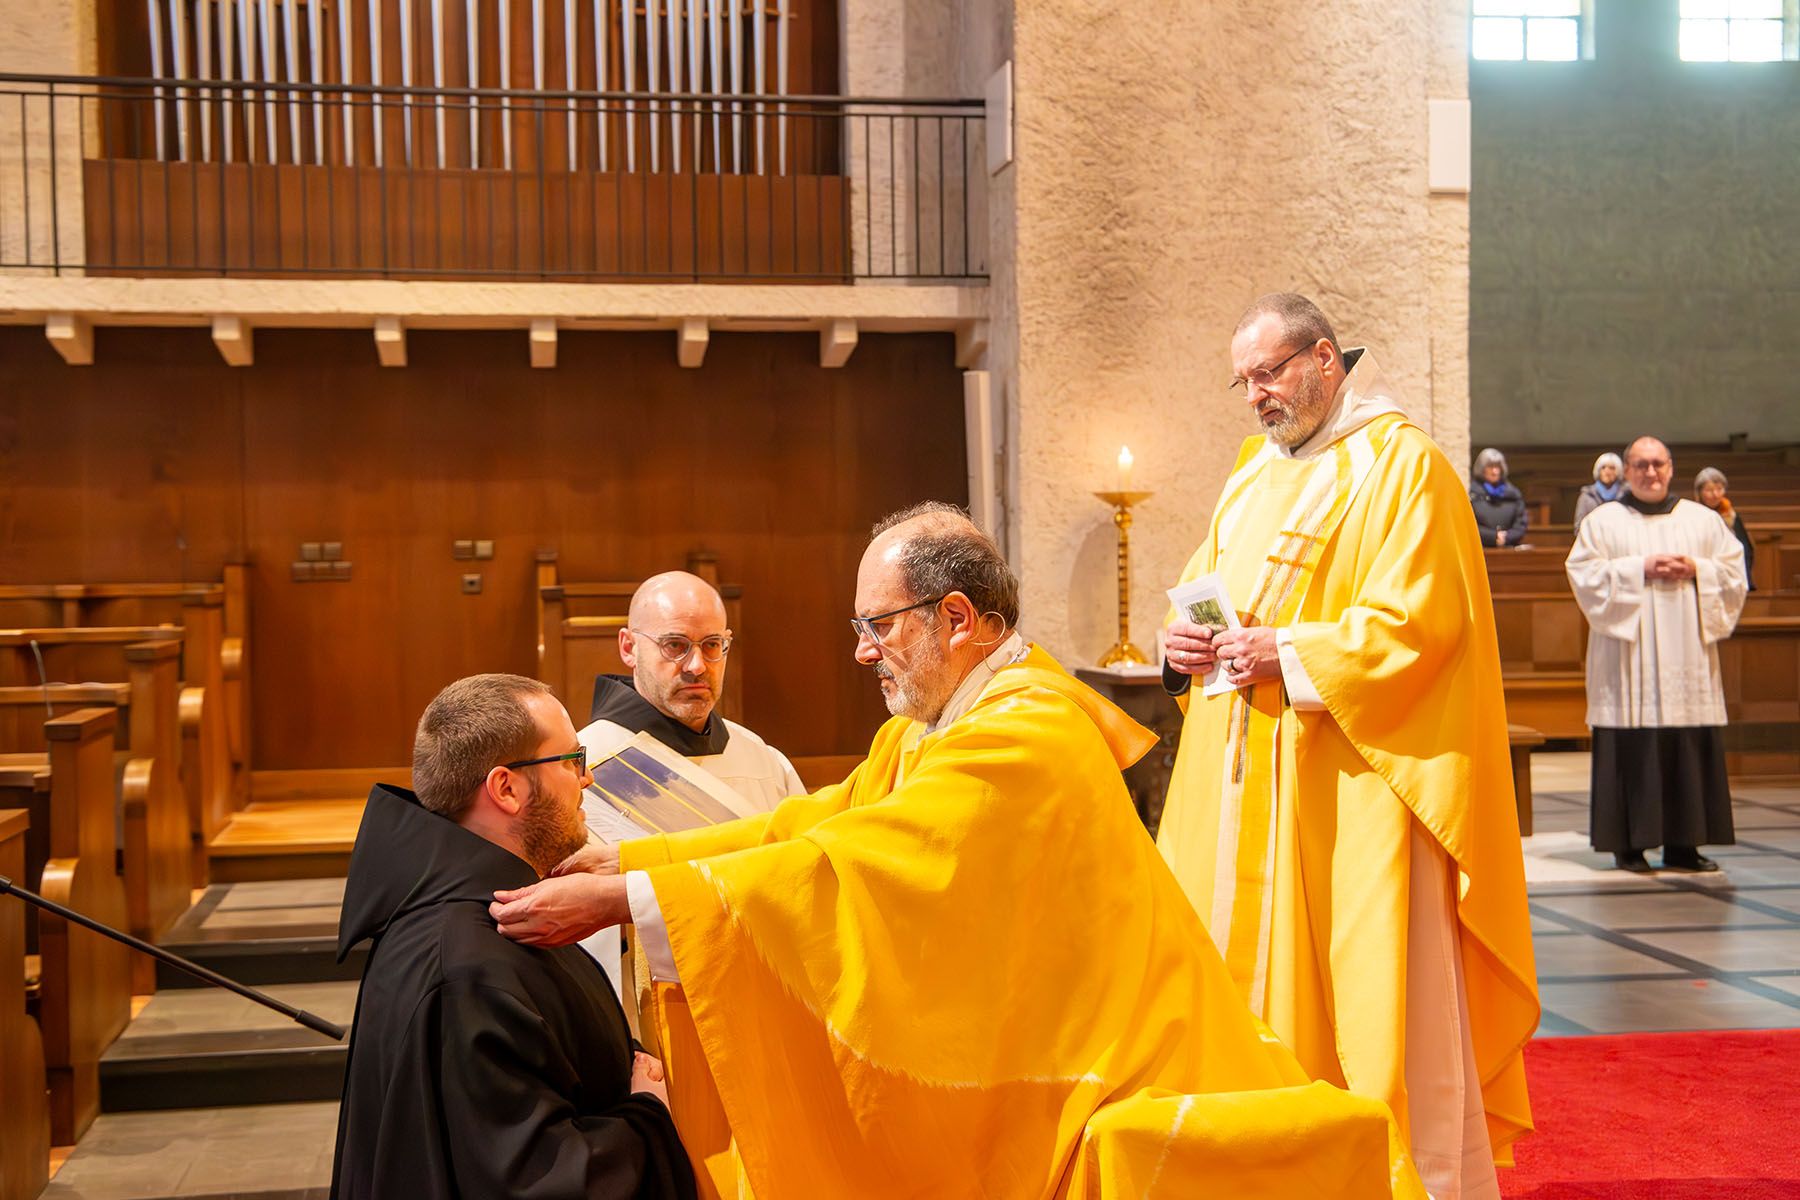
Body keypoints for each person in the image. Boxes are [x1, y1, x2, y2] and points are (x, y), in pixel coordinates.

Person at [490, 504, 1424, 1199]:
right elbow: (822, 822)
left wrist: (635, 903)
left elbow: (867, 858)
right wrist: (645, 867)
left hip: (1120, 1060)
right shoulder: (934, 725)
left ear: (958, 618)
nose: (864, 652)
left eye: (879, 625)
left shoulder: (1027, 730)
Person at [1157, 294, 1538, 1199]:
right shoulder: (1250, 475)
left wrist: (1286, 653)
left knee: (1361, 1000)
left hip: (1351, 788)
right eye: (1244, 381)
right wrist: (1181, 647)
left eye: (1269, 373)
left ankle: (1386, 1175)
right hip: (1243, 780)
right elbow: (1205, 587)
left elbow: (1421, 627)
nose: (1256, 396)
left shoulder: (1407, 469)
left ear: (1325, 358)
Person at [331, 674, 696, 1200]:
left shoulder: (497, 911)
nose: (587, 779)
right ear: (506, 788)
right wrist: (649, 1115)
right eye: (572, 760)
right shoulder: (468, 967)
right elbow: (534, 1181)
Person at [577, 571, 805, 996]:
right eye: (675, 645)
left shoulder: (762, 758)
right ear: (628, 647)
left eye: (712, 645)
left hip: (763, 991)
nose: (697, 666)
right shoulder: (584, 769)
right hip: (653, 1004)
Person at [1566, 439, 1747, 873]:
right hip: (1628, 660)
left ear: (1671, 468)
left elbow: (1734, 572)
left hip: (1688, 655)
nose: (1650, 472)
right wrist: (1639, 569)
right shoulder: (1602, 522)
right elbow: (1583, 574)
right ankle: (1629, 846)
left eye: (1658, 464)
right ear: (1627, 470)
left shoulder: (1702, 521)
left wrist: (1696, 569)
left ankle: (1685, 845)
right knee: (1633, 744)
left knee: (1687, 743)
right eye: (1641, 465)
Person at [1695, 467, 1755, 591]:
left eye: (1719, 489)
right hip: (1704, 575)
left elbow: (1744, 548)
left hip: (1729, 573)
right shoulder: (1693, 515)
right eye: (1709, 490)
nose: (1715, 494)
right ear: (1699, 492)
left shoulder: (1732, 516)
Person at [1470, 447, 1529, 547]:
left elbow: (1521, 523)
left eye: (1498, 467)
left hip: (1509, 548)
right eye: (1490, 467)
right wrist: (1493, 537)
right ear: (1481, 469)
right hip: (1480, 548)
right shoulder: (1471, 494)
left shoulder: (1513, 494)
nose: (1495, 471)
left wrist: (1507, 537)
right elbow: (1469, 525)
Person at [1572, 452, 1625, 530]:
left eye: (1612, 468)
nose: (1607, 472)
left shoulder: (1625, 495)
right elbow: (1579, 526)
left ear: (1618, 471)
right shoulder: (1587, 496)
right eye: (1603, 468)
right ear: (1598, 471)